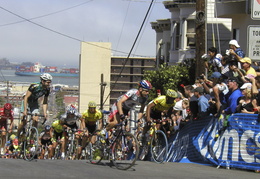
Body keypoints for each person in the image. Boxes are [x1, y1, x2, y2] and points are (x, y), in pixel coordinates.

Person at [17, 73, 52, 139]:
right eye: (48, 82)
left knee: (36, 120)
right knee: (24, 121)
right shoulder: (34, 86)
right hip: (27, 101)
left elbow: (45, 102)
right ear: (43, 81)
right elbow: (26, 97)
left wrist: (45, 113)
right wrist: (25, 110)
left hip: (34, 102)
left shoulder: (47, 89)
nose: (49, 84)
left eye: (50, 82)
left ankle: (31, 137)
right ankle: (17, 135)